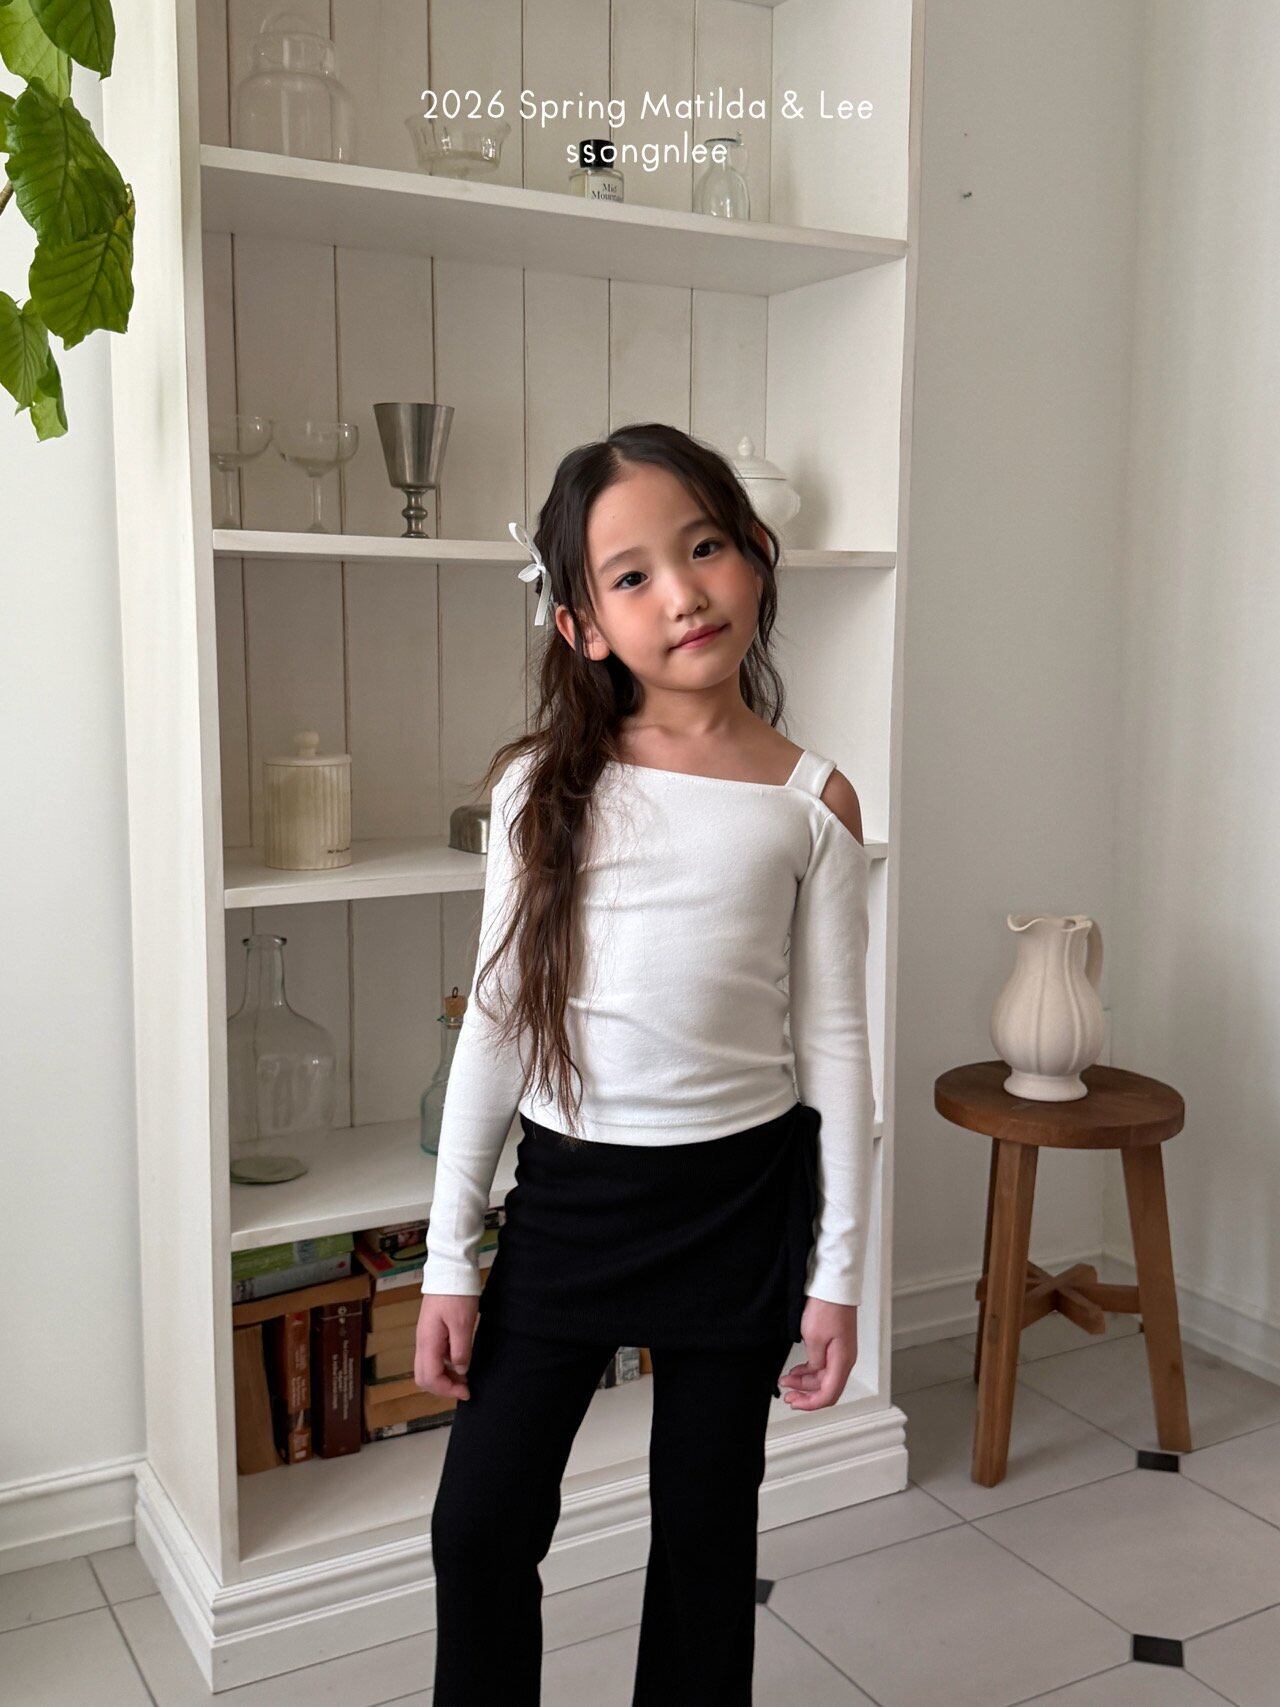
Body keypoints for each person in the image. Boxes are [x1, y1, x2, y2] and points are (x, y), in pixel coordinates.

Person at [415, 421, 876, 1705]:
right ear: (579, 626)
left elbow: (836, 1046)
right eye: (632, 575)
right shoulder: (539, 789)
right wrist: (449, 1258)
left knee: (704, 1549)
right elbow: (496, 1024)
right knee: (480, 1525)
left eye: (704, 547)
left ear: (756, 554)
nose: (682, 593)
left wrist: (836, 1277)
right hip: (571, 1205)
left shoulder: (812, 801)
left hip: (740, 1210)